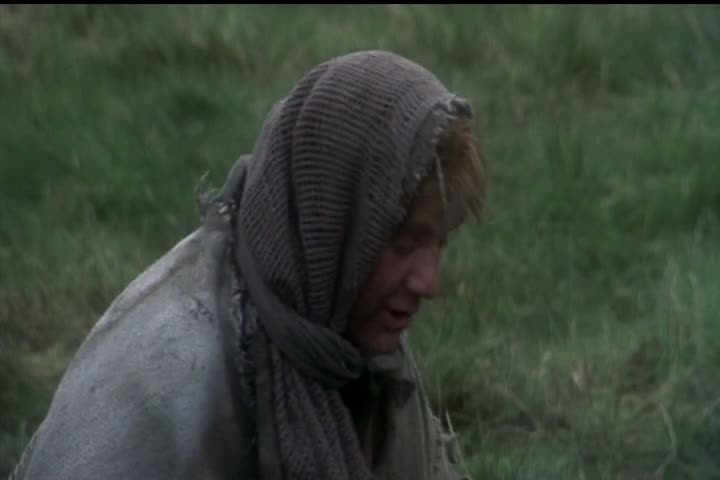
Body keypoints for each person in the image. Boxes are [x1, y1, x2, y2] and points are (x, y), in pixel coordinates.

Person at [10, 50, 486, 480]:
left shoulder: (342, 329)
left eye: (438, 243)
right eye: (404, 244)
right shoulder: (168, 388)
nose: (429, 282)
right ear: (330, 224)